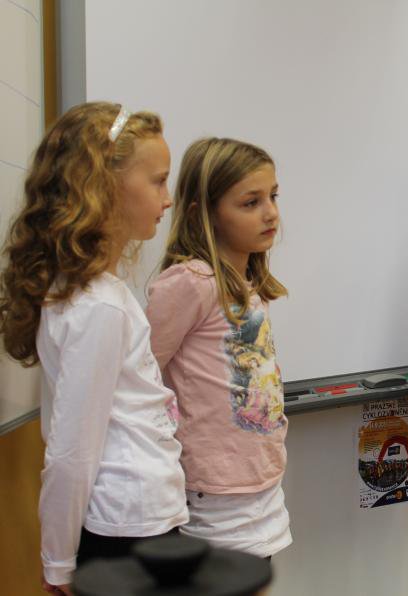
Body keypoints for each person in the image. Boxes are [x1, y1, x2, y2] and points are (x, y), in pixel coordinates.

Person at [0, 102, 188, 595]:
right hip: (128, 526)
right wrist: (58, 561)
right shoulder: (98, 305)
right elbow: (72, 451)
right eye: (158, 181)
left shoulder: (92, 294)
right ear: (104, 186)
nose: (168, 199)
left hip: (137, 516)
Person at [146, 137, 291, 559]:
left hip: (259, 479)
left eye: (273, 196)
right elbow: (140, 377)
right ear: (204, 213)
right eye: (251, 202)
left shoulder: (248, 285)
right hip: (213, 490)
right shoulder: (190, 283)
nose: (271, 213)